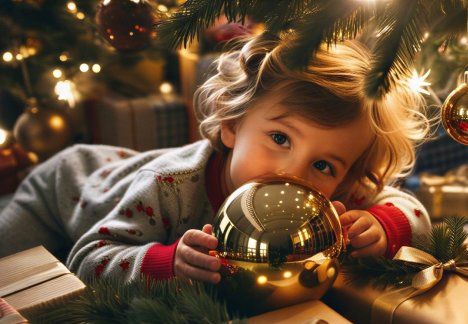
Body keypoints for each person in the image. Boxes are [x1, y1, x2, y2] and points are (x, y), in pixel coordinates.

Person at [0, 33, 432, 284]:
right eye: (280, 137)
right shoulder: (170, 187)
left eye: (323, 166)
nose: (291, 173)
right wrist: (168, 263)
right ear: (232, 124)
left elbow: (412, 210)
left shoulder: (330, 200)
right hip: (67, 188)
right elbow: (87, 257)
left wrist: (383, 227)